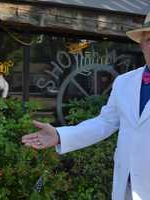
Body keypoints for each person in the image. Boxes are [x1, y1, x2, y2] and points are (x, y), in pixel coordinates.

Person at [22, 12, 150, 200]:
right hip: (126, 189)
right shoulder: (124, 82)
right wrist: (60, 135)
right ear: (141, 43)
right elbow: (104, 123)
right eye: (149, 39)